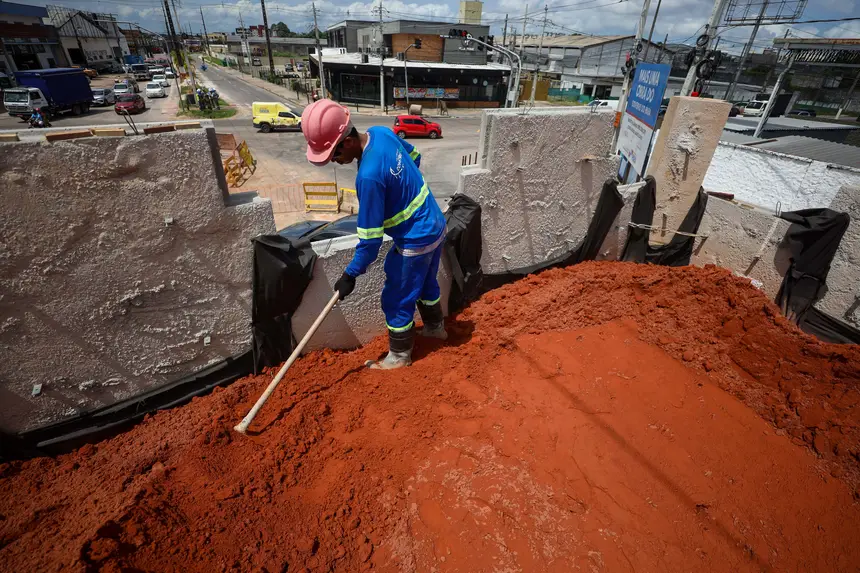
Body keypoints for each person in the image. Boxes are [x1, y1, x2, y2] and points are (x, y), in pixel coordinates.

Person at [301, 99, 447, 369]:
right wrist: (400, 189)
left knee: (396, 296)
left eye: (333, 154)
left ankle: (399, 357)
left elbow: (370, 242)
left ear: (346, 141)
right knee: (426, 283)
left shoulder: (368, 177)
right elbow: (414, 157)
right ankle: (436, 328)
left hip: (416, 237)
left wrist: (350, 275)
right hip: (435, 222)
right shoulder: (380, 132)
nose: (336, 161)